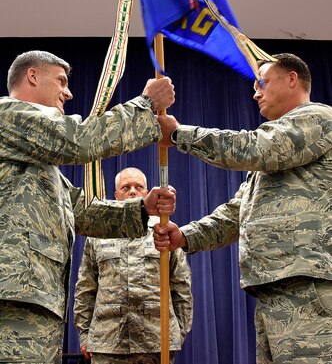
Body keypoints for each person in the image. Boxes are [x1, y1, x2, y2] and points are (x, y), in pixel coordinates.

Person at [154, 53, 332, 364]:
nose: (255, 92)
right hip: (276, 288)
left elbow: (255, 147)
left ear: (292, 80)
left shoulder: (317, 119)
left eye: (262, 83)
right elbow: (237, 213)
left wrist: (180, 134)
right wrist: (184, 236)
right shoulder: (275, 154)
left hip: (308, 286)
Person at [0, 50, 176, 364]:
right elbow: (79, 140)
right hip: (12, 298)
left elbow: (81, 211)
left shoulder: (38, 163)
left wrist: (141, 210)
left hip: (30, 300)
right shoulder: (8, 115)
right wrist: (145, 105)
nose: (68, 92)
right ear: (32, 76)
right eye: (61, 81)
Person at [74, 167, 193, 364]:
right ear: (116, 195)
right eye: (125, 187)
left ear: (146, 193)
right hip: (107, 344)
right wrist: (85, 335)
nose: (132, 191)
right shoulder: (97, 235)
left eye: (138, 187)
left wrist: (177, 334)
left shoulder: (164, 231)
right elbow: (85, 289)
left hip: (156, 343)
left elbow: (181, 286)